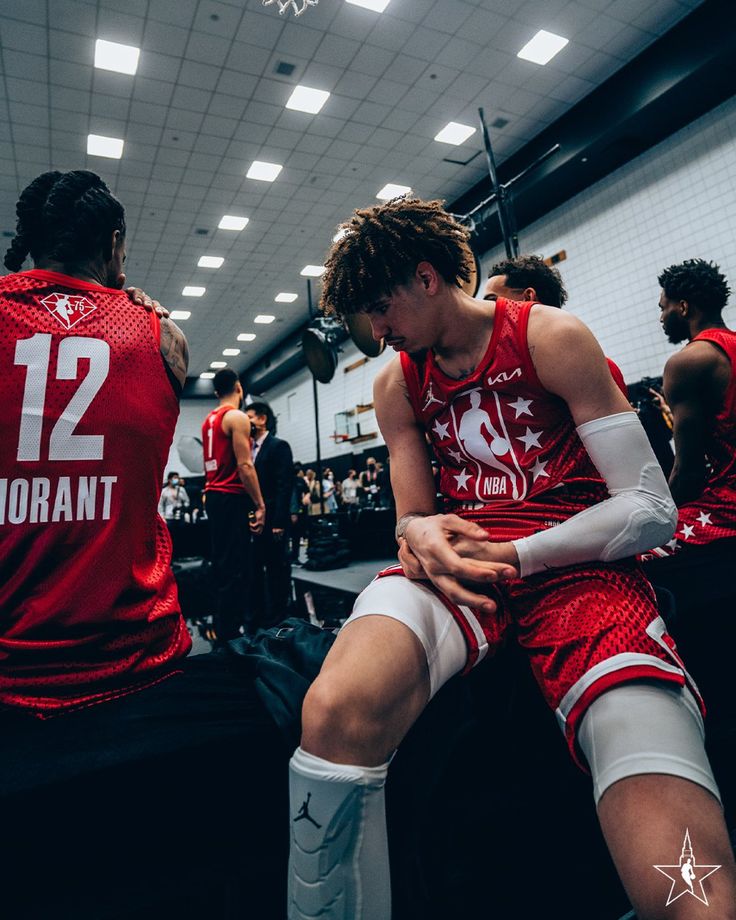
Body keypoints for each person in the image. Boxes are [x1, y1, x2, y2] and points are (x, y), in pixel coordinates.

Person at [287, 199, 736, 920]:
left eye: (381, 307)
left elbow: (651, 510)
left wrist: (519, 552)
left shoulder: (551, 337)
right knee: (336, 711)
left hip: (576, 564)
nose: (377, 332)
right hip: (461, 567)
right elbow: (412, 514)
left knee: (677, 860)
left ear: (428, 278)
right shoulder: (396, 382)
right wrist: (418, 534)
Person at [484, 254, 628, 395]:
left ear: (528, 297)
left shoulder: (600, 368)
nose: (485, 309)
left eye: (492, 301)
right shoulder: (495, 371)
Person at [202, 369, 265, 642]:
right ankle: (232, 634)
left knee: (224, 565)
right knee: (237, 569)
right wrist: (260, 504)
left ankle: (224, 628)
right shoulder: (236, 417)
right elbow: (245, 465)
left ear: (217, 393)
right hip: (230, 497)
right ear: (239, 387)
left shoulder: (209, 420)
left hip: (214, 496)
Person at [246, 400, 295, 629]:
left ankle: (279, 615)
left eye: (250, 417)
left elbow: (285, 486)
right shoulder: (247, 450)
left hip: (274, 519)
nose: (247, 422)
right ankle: (261, 615)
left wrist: (279, 521)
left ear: (263, 419)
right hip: (255, 519)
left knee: (277, 568)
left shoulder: (279, 446)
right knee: (255, 568)